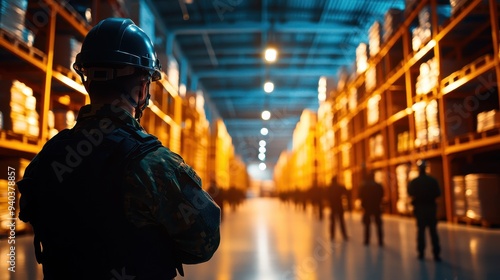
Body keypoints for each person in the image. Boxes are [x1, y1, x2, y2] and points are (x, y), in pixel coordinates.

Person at [18, 18, 220, 279]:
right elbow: (204, 242)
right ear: (141, 89)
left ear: (87, 81)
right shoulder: (154, 163)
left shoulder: (47, 157)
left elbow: (32, 215)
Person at [407, 160, 441, 261]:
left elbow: (410, 192)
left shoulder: (414, 182)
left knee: (421, 231)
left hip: (420, 209)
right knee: (433, 231)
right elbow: (438, 193)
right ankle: (436, 253)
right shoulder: (432, 181)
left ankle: (421, 253)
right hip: (431, 208)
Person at [358, 170, 384, 246]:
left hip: (367, 207)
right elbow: (381, 194)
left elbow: (360, 195)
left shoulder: (364, 186)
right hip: (376, 206)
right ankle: (380, 241)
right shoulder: (378, 185)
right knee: (378, 224)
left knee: (367, 224)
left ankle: (367, 240)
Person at [328, 176, 349, 241]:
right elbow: (346, 192)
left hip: (333, 206)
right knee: (341, 221)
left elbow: (326, 195)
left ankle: (332, 235)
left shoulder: (329, 188)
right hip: (339, 205)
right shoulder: (340, 187)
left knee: (333, 221)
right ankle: (344, 235)